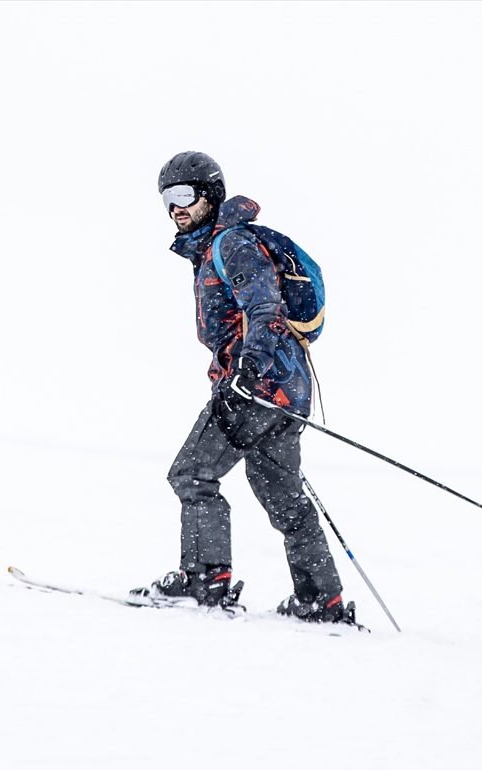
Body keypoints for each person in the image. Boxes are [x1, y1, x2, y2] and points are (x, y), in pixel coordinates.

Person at [132, 151, 351, 623]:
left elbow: (265, 308)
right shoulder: (214, 249)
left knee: (192, 472)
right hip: (287, 390)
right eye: (167, 198)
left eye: (184, 195)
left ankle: (203, 580)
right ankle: (321, 599)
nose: (175, 208)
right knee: (283, 494)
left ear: (210, 196)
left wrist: (246, 375)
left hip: (257, 385)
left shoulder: (231, 244)